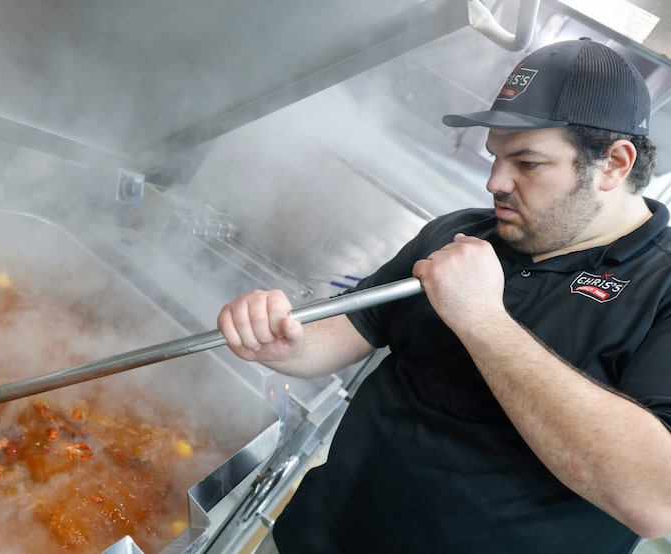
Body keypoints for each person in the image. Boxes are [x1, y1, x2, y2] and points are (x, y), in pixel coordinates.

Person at [217, 38, 671, 553]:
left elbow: (655, 499)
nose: (495, 181)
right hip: (312, 538)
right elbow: (351, 331)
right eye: (495, 156)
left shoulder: (662, 289)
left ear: (614, 163)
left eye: (527, 163)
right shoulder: (459, 233)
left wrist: (484, 322)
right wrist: (286, 344)